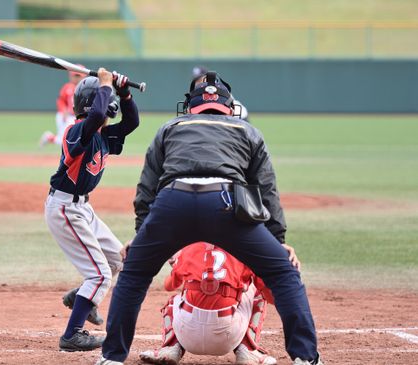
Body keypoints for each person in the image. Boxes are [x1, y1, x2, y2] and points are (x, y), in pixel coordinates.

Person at [95, 71, 323, 365]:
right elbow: (266, 190)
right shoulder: (248, 132)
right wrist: (278, 240)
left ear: (191, 106)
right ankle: (305, 358)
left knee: (134, 277)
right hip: (225, 203)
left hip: (172, 202)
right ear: (230, 107)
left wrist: (142, 235)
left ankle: (112, 358)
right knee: (283, 275)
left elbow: (147, 189)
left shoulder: (170, 127)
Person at [45, 68, 139, 352]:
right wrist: (106, 84)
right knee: (99, 275)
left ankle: (81, 300)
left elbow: (132, 122)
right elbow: (97, 115)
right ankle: (72, 335)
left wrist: (123, 92)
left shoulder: (103, 135)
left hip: (83, 208)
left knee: (116, 259)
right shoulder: (78, 131)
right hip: (64, 208)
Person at [138, 242, 277, 365]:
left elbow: (168, 286)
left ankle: (170, 348)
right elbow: (271, 298)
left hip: (187, 335)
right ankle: (248, 350)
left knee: (175, 300)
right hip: (228, 336)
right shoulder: (244, 249)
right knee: (257, 292)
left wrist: (176, 266)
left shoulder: (190, 247)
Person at [40, 69, 86, 146]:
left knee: (71, 140)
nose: (76, 78)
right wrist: (64, 111)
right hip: (65, 116)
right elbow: (60, 101)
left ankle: (49, 137)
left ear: (84, 77)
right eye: (75, 75)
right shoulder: (67, 87)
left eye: (78, 76)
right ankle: (48, 137)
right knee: (65, 141)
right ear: (71, 76)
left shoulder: (85, 89)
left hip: (76, 118)